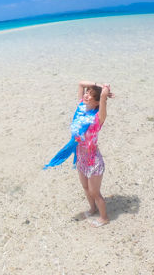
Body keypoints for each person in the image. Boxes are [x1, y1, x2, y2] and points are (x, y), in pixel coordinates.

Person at [44, 81, 113, 227]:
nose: (86, 95)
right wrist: (97, 85)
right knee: (86, 188)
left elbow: (102, 102)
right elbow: (81, 83)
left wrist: (104, 93)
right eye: (87, 93)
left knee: (95, 192)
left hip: (93, 161)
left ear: (97, 103)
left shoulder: (97, 119)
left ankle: (104, 217)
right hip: (81, 158)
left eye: (91, 96)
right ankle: (92, 209)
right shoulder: (80, 108)